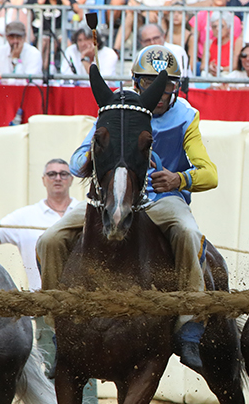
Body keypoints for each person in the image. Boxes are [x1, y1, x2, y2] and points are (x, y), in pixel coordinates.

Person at [35, 46, 217, 370]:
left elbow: (210, 174)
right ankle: (54, 324)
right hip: (109, 199)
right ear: (136, 82)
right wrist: (93, 154)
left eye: (166, 84)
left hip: (163, 201)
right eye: (148, 83)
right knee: (48, 240)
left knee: (189, 233)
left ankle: (190, 325)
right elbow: (78, 161)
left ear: (177, 86)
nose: (158, 93)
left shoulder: (187, 116)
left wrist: (179, 178)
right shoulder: (114, 109)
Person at [0, 159, 98, 404]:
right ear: (44, 179)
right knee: (51, 368)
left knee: (86, 369)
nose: (58, 178)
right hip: (44, 306)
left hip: (81, 306)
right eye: (52, 174)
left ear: (71, 179)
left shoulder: (87, 212)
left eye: (63, 174)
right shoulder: (27, 214)